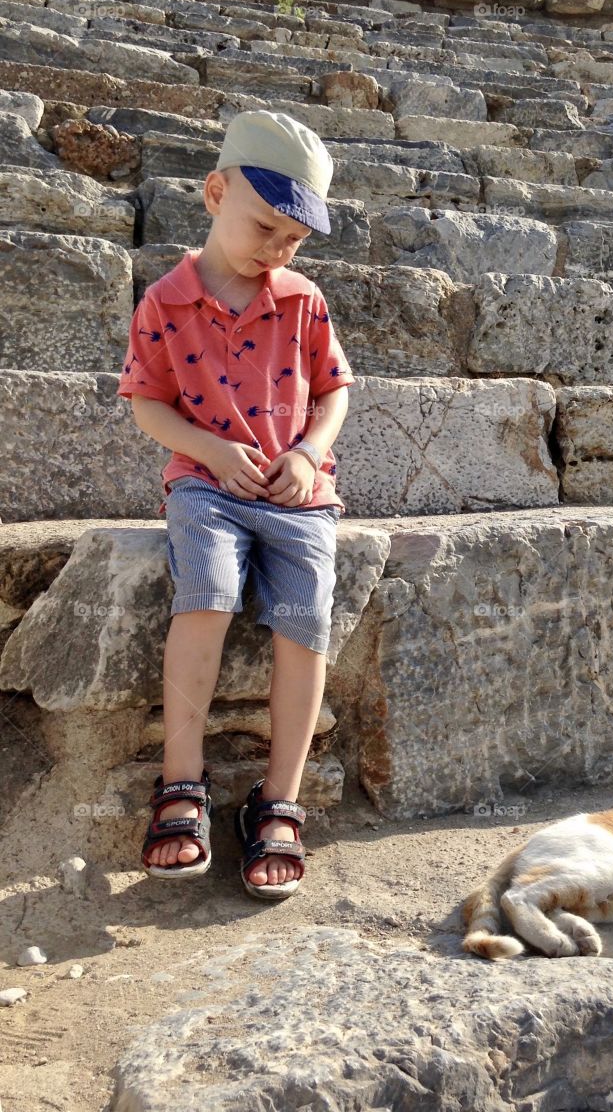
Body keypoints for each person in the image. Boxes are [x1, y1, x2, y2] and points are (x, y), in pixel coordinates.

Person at [117, 110, 354, 899]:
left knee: (305, 622)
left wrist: (308, 454)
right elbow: (147, 402)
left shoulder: (304, 300)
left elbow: (334, 393)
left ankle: (278, 800)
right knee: (208, 598)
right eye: (265, 227)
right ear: (216, 194)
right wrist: (214, 451)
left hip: (297, 495)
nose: (278, 249)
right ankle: (181, 782)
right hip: (207, 486)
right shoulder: (166, 300)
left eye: (295, 238)